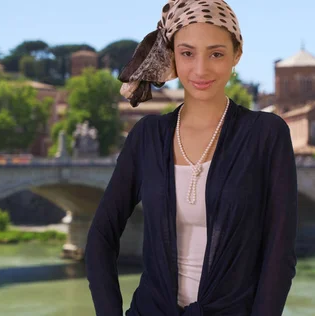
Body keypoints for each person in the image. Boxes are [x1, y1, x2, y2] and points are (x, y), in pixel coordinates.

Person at [84, 1, 298, 315]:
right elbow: (101, 237)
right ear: (172, 55)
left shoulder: (266, 134)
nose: (200, 69)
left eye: (216, 53)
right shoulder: (147, 136)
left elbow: (280, 256)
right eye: (187, 53)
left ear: (237, 54)